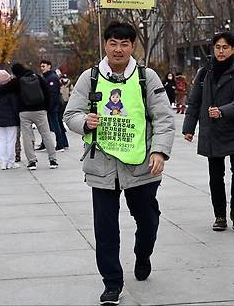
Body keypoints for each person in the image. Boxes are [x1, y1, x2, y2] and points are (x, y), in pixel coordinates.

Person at [64, 22, 175, 306]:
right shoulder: (89, 78)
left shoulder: (145, 77)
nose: (118, 49)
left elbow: (163, 118)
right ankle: (112, 283)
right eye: (113, 43)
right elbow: (70, 114)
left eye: (124, 44)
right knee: (105, 229)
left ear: (132, 46)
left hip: (141, 165)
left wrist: (160, 152)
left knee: (148, 219)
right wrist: (84, 123)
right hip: (102, 165)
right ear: (105, 45)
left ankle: (143, 253)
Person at [182, 32, 234, 233]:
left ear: (233, 49)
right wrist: (189, 127)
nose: (221, 51)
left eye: (225, 47)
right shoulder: (204, 73)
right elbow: (194, 101)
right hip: (212, 130)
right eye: (217, 47)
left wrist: (221, 111)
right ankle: (219, 215)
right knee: (215, 175)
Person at [0, 63, 58, 170]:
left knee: (27, 137)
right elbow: (47, 93)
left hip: (24, 112)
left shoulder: (17, 81)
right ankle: (53, 160)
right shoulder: (38, 77)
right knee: (46, 134)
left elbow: (2, 89)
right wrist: (46, 108)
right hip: (40, 111)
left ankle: (32, 162)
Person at [0, 70, 20, 170]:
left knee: (1, 140)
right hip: (11, 118)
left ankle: (3, 162)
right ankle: (11, 162)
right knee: (11, 141)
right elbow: (15, 105)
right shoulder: (11, 90)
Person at [38, 60, 69, 151]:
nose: (42, 68)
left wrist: (49, 107)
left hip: (53, 106)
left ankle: (60, 145)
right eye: (41, 66)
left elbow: (53, 94)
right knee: (50, 125)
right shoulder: (46, 77)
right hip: (51, 106)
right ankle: (62, 143)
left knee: (55, 125)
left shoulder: (52, 78)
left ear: (49, 66)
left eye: (44, 66)